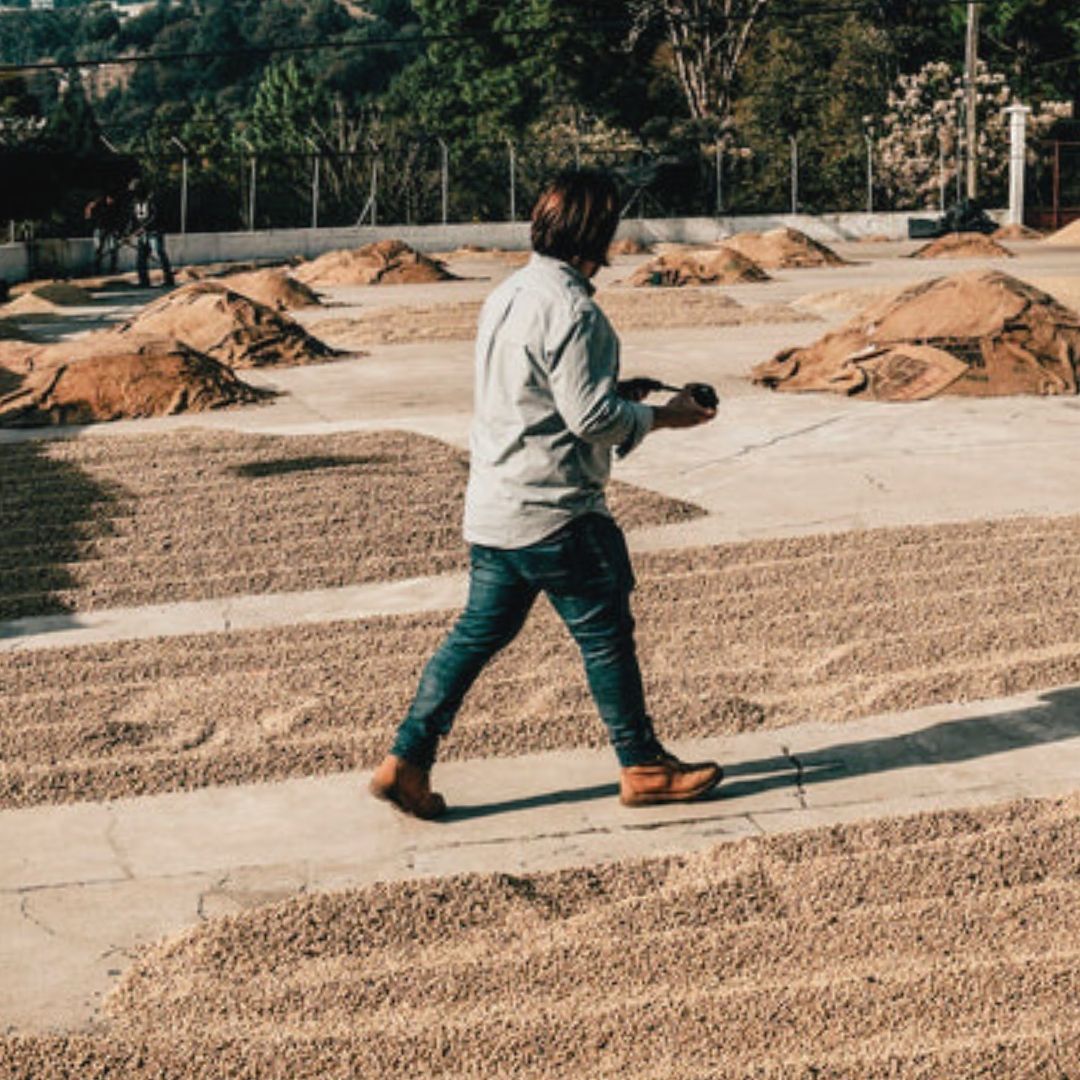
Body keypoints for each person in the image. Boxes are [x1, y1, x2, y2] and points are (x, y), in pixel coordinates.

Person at [370, 168, 722, 820]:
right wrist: (669, 415)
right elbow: (590, 420)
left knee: (472, 639)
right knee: (606, 635)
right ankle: (642, 766)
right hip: (557, 514)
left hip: (495, 508)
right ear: (600, 230)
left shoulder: (508, 294)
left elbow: (542, 392)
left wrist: (624, 391)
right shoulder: (578, 311)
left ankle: (407, 759)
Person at [128, 177, 175, 288]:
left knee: (159, 253)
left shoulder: (151, 199)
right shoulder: (135, 202)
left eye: (135, 191)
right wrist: (129, 232)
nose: (134, 193)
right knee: (141, 258)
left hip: (154, 232)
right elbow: (133, 218)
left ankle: (169, 279)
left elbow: (155, 216)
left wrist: (144, 227)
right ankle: (144, 281)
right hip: (142, 234)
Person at [84, 190, 125, 275]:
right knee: (98, 249)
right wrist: (88, 217)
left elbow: (117, 218)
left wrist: (117, 230)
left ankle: (113, 269)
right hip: (100, 228)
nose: (111, 202)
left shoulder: (115, 205)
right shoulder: (99, 203)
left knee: (113, 249)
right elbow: (89, 207)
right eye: (111, 200)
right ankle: (97, 270)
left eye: (113, 200)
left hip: (111, 229)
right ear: (107, 198)